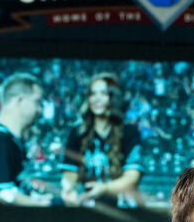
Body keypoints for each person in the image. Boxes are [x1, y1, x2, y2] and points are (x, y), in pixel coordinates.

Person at [61, 73, 143, 208]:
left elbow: (132, 176)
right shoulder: (77, 132)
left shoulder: (129, 132)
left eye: (103, 93)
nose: (97, 98)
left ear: (114, 97)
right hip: (87, 205)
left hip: (122, 206)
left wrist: (105, 188)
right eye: (93, 94)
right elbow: (70, 171)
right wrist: (69, 188)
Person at [0, 73, 51, 206]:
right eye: (37, 102)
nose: (40, 109)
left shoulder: (12, 141)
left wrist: (36, 197)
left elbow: (13, 186)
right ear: (19, 100)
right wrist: (37, 205)